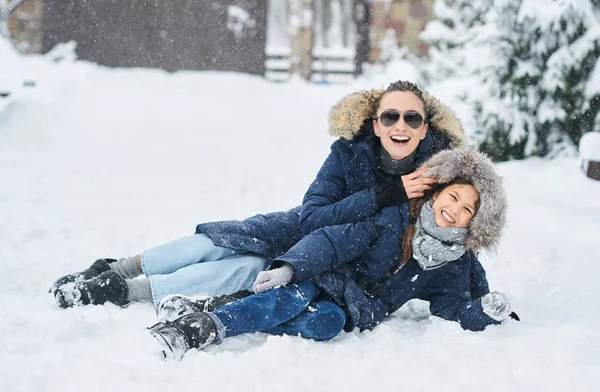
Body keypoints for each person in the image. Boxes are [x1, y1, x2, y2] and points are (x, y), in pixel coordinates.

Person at [51, 81, 484, 311]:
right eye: (391, 115)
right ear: (375, 123)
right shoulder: (347, 153)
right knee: (218, 240)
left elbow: (456, 235)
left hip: (335, 262)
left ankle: (126, 292)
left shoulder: (441, 174)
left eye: (412, 117)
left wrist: (482, 297)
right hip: (299, 226)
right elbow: (314, 215)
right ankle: (117, 267)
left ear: (425, 127)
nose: (400, 125)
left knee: (241, 268)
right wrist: (385, 193)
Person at [147, 149, 513, 360]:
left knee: (326, 324)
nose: (456, 209)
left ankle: (215, 305)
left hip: (355, 309)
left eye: (468, 209)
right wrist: (291, 267)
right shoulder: (394, 218)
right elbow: (333, 241)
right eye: (453, 197)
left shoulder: (452, 264)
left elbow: (451, 308)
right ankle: (200, 328)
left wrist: (483, 311)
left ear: (475, 223)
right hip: (328, 276)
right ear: (436, 194)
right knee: (292, 299)